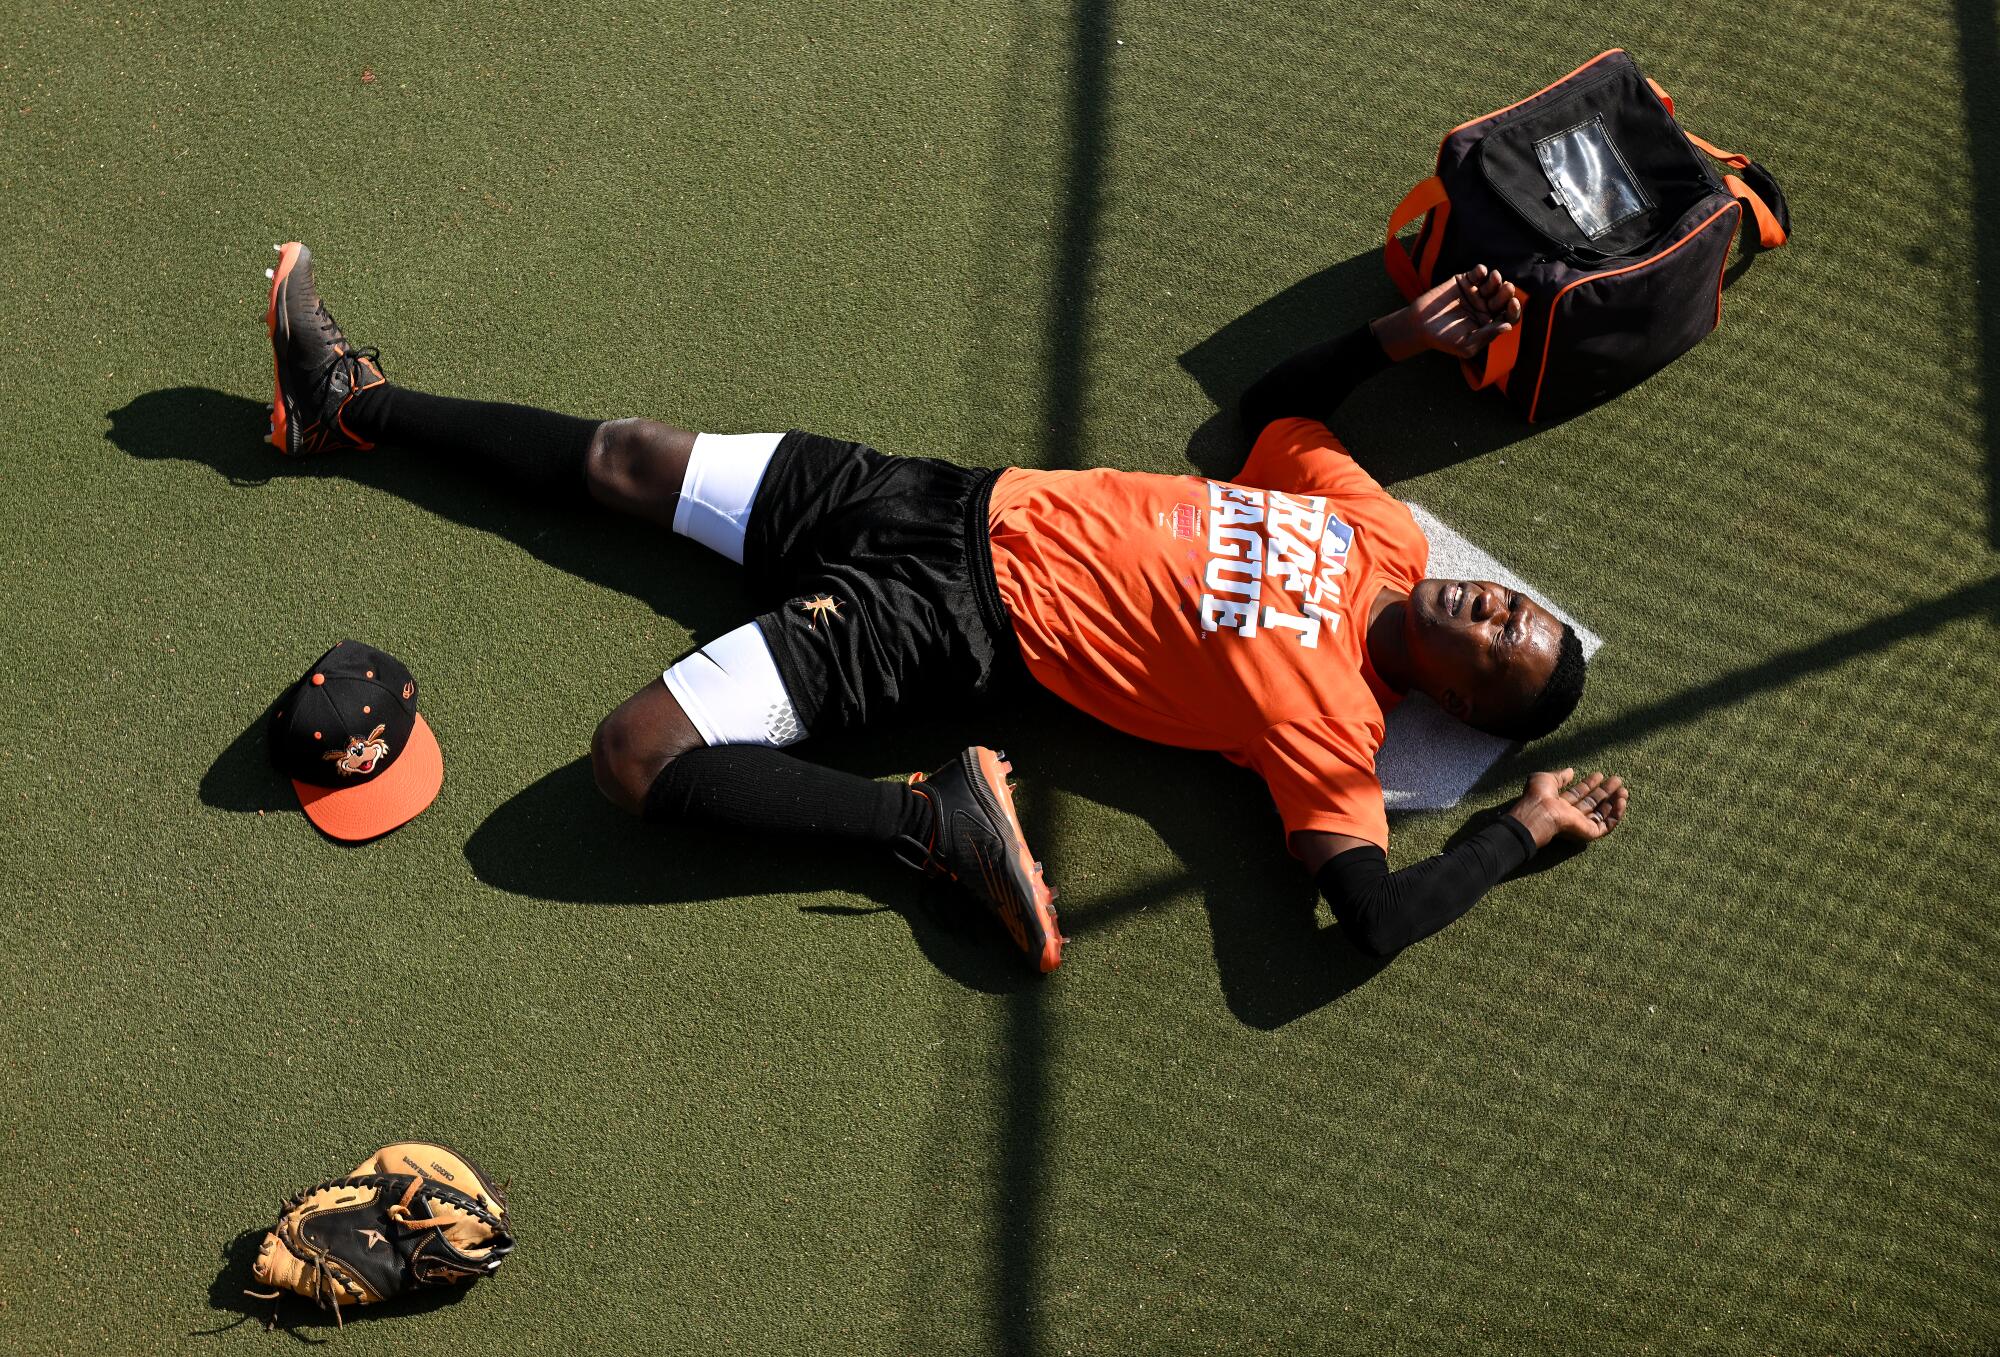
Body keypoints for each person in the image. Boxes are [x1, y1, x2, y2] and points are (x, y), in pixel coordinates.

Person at [262, 242, 1627, 974]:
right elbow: (1272, 414)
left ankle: (927, 821)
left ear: (1451, 699)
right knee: (627, 456)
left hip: (944, 628)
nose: (1491, 607)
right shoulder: (1375, 533)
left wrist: (1520, 828)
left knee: (634, 761)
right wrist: (1399, 337)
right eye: (1513, 605)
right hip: (930, 497)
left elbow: (1371, 915)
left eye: (1498, 644)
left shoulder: (1331, 728)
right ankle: (351, 409)